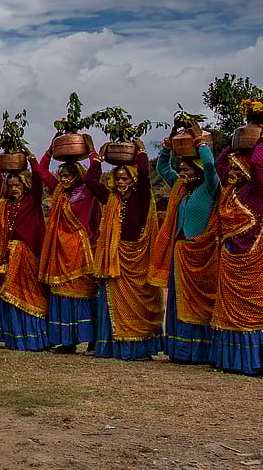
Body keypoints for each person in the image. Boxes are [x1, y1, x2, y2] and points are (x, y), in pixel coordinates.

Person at [152, 121, 220, 365]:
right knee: (178, 300)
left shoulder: (209, 187)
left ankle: (199, 352)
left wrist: (201, 143)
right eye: (180, 169)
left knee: (199, 302)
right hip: (179, 251)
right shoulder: (180, 189)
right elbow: (162, 168)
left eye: (187, 169)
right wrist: (168, 147)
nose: (182, 172)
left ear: (198, 171)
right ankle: (180, 351)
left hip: (201, 252)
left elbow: (211, 165)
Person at [91, 140, 163, 361]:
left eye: (125, 178)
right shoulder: (110, 198)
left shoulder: (141, 197)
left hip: (137, 257)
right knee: (113, 303)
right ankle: (112, 348)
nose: (121, 182)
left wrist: (140, 151)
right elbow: (90, 181)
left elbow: (143, 173)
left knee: (139, 305)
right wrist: (98, 159)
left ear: (133, 181)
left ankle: (139, 350)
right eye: (118, 178)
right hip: (115, 259)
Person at [210, 110, 263, 375]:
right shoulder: (231, 191)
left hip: (251, 256)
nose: (230, 171)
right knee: (230, 308)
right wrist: (234, 143)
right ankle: (232, 361)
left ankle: (254, 361)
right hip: (230, 254)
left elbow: (258, 167)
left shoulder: (257, 191)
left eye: (236, 168)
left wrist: (262, 140)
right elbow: (220, 163)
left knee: (252, 308)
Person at [37, 140, 102, 355]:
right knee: (62, 295)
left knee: (84, 295)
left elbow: (94, 174)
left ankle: (92, 341)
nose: (63, 179)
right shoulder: (59, 192)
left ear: (76, 176)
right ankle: (67, 342)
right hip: (59, 249)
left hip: (81, 249)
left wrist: (91, 150)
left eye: (67, 176)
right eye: (62, 175)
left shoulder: (87, 191)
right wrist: (50, 150)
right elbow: (42, 171)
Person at [0, 155, 49, 351]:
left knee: (31, 295)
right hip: (8, 254)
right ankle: (12, 337)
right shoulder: (4, 205)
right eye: (10, 185)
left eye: (17, 185)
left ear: (25, 185)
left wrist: (32, 161)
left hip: (27, 253)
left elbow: (38, 180)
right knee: (6, 294)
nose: (14, 188)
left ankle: (34, 339)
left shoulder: (33, 200)